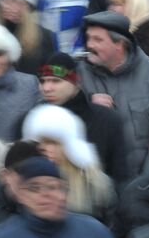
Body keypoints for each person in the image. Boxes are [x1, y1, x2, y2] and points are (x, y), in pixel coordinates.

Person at [77, 12, 149, 176]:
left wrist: (143, 184)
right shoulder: (76, 76)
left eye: (97, 40)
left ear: (119, 44)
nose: (89, 45)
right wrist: (87, 108)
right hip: (93, 185)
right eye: (88, 38)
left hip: (143, 184)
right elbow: (56, 120)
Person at [37, 53, 128, 186]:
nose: (46, 88)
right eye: (42, 81)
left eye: (56, 81)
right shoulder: (32, 122)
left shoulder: (107, 120)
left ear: (76, 82)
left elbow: (121, 176)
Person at [22, 104, 115, 223]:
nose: (43, 148)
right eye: (38, 142)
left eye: (51, 142)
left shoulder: (95, 184)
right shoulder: (26, 183)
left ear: (71, 146)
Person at [0, 0, 56, 75]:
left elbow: (48, 74)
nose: (6, 6)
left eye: (13, 0)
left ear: (26, 4)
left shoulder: (43, 37)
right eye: (2, 0)